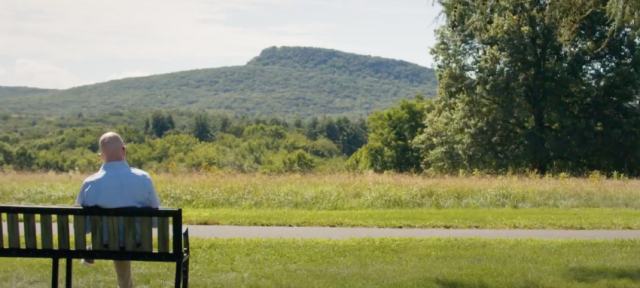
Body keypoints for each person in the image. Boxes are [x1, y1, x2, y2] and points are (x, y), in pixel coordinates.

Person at [75, 132, 161, 288]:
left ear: (101, 156)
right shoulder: (143, 178)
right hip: (139, 243)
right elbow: (155, 221)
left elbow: (84, 226)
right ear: (124, 150)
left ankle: (92, 251)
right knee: (124, 237)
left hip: (104, 243)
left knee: (114, 237)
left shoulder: (89, 183)